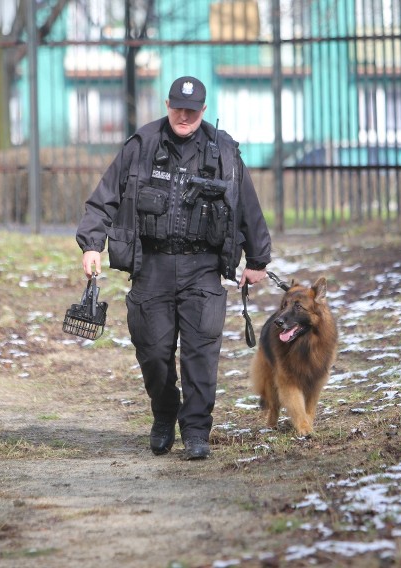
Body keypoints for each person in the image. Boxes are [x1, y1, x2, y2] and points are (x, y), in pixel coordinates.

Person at [76, 76, 272, 460]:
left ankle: (197, 430)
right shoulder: (142, 145)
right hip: (152, 265)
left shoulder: (224, 151)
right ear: (167, 105)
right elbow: (103, 199)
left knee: (201, 353)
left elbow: (247, 205)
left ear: (202, 109)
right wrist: (92, 244)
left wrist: (258, 259)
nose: (184, 116)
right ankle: (165, 413)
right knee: (153, 352)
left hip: (203, 266)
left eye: (193, 110)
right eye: (178, 108)